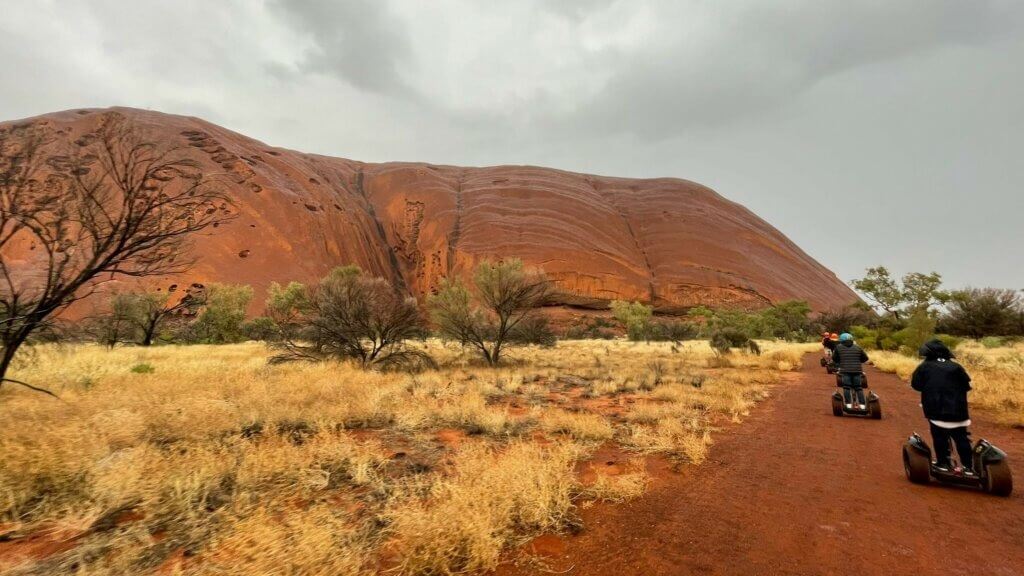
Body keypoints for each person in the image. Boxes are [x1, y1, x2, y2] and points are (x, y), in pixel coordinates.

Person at [911, 339, 974, 474]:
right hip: (959, 410)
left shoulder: (924, 367)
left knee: (939, 436)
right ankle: (969, 467)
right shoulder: (956, 367)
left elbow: (916, 385)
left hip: (935, 409)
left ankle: (943, 463)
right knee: (961, 437)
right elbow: (967, 386)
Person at [832, 332, 868, 409]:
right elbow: (865, 358)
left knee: (846, 387)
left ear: (841, 340)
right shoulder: (858, 347)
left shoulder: (838, 347)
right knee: (858, 387)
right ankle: (862, 405)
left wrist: (840, 361)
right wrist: (858, 361)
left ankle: (848, 404)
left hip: (845, 371)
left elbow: (834, 358)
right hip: (857, 371)